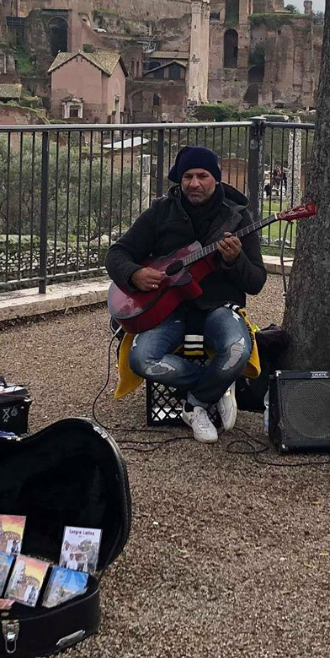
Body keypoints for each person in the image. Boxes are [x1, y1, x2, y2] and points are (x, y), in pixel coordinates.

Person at [107, 145, 265, 443]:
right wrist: (134, 274)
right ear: (179, 180)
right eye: (188, 176)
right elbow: (117, 254)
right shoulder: (161, 212)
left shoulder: (238, 218)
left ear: (216, 179)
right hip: (169, 310)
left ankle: (195, 403)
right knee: (142, 360)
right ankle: (216, 386)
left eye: (202, 176)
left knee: (236, 352)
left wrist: (235, 261)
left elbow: (256, 282)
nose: (194, 183)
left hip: (219, 307)